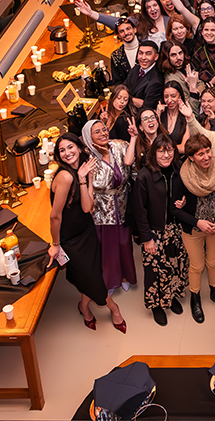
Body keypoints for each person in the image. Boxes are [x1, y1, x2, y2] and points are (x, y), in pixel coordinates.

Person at [48, 133, 126, 332]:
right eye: (62, 150)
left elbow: (87, 206)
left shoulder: (82, 169)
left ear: (79, 147)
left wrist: (85, 178)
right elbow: (55, 216)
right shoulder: (65, 176)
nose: (67, 153)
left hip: (86, 230)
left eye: (70, 147)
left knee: (92, 274)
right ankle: (114, 308)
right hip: (71, 239)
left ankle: (83, 306)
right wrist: (55, 245)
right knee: (93, 278)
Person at [171, 133, 215, 323]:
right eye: (200, 154)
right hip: (194, 228)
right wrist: (197, 222)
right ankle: (195, 298)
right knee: (197, 265)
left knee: (214, 262)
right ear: (191, 157)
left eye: (208, 151)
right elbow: (174, 209)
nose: (206, 157)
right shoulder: (182, 176)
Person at [129, 134, 189, 326]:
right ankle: (156, 305)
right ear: (153, 153)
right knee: (155, 270)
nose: (166, 155)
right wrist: (147, 238)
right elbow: (139, 210)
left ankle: (171, 296)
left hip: (174, 228)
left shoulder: (178, 169)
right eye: (161, 151)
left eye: (169, 150)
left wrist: (183, 201)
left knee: (174, 265)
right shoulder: (144, 176)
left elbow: (183, 193)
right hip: (154, 231)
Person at [81, 119, 139, 302]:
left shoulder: (119, 145)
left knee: (124, 243)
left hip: (123, 203)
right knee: (107, 247)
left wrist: (133, 138)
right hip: (102, 209)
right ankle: (110, 280)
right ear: (88, 137)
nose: (103, 134)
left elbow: (131, 166)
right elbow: (99, 184)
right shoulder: (87, 158)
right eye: (96, 132)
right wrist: (104, 156)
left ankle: (125, 276)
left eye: (104, 129)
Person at [124, 41, 164, 110]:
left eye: (148, 54)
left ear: (156, 57)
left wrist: (125, 98)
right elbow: (122, 88)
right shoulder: (136, 68)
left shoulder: (156, 82)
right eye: (140, 53)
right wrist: (132, 100)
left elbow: (146, 108)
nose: (143, 57)